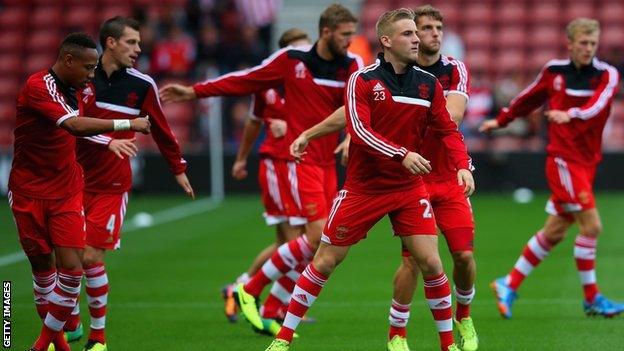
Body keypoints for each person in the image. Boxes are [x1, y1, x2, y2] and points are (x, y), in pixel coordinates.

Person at [265, 8, 474, 351]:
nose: (417, 39)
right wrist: (402, 154)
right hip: (365, 188)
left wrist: (462, 164)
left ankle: (447, 344)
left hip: (407, 189)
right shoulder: (362, 80)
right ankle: (283, 338)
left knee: (433, 263)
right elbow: (360, 132)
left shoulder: (429, 84)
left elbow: (447, 129)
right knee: (326, 260)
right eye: (408, 33)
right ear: (386, 40)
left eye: (416, 33)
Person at [159, 3, 363, 331]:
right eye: (345, 34)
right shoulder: (289, 63)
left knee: (314, 245)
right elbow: (244, 81)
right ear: (326, 32)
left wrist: (352, 137)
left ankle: (268, 305)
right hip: (297, 161)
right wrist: (194, 92)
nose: (350, 41)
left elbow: (360, 104)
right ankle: (247, 289)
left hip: (328, 165)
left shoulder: (352, 65)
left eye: (352, 34)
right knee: (310, 240)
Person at [56, 17, 194, 351]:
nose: (138, 49)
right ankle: (70, 321)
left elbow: (161, 128)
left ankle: (98, 337)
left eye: (139, 44)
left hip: (111, 185)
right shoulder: (77, 80)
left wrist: (178, 167)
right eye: (131, 43)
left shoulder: (142, 85)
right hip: (71, 181)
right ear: (111, 42)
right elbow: (67, 124)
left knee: (90, 258)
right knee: (65, 259)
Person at [8, 33, 150, 351]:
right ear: (68, 60)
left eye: (94, 68)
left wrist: (111, 139)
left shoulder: (81, 88)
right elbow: (73, 126)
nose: (90, 75)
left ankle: (43, 343)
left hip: (67, 190)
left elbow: (83, 127)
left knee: (73, 269)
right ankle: (60, 342)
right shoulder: (37, 86)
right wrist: (126, 125)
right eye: (87, 67)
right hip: (28, 191)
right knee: (43, 270)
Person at [480, 18, 623, 319]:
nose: (588, 49)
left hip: (587, 161)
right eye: (582, 43)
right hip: (562, 160)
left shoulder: (606, 74)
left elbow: (599, 104)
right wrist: (502, 120)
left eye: (592, 44)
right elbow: (528, 98)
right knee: (592, 226)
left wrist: (571, 113)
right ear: (570, 44)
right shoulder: (554, 72)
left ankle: (509, 282)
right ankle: (592, 298)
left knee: (555, 231)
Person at [223, 28, 311, 332]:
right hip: (276, 165)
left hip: (301, 166)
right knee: (295, 241)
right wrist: (240, 158)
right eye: (299, 50)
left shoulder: (311, 84)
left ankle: (239, 288)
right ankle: (274, 305)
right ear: (284, 55)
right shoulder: (268, 85)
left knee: (286, 242)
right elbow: (253, 121)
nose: (306, 55)